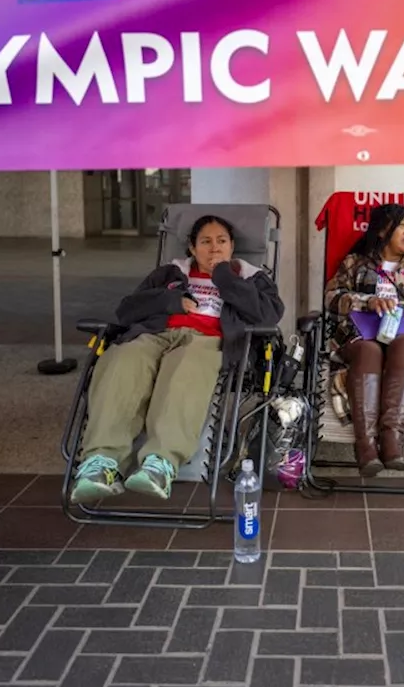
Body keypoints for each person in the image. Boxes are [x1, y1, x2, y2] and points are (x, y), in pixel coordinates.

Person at [71, 215, 284, 502]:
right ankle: (101, 463)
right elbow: (127, 309)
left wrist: (224, 277)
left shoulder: (251, 277)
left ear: (232, 246)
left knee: (186, 366)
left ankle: (160, 463)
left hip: (209, 340)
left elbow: (268, 315)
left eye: (221, 241)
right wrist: (171, 302)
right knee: (123, 359)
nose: (214, 248)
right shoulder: (169, 273)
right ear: (192, 249)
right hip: (156, 334)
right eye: (205, 242)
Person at [324, 203, 404, 475]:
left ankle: (392, 438)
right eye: (402, 227)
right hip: (361, 333)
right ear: (384, 230)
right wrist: (367, 301)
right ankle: (366, 445)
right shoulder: (355, 262)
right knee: (369, 351)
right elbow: (331, 298)